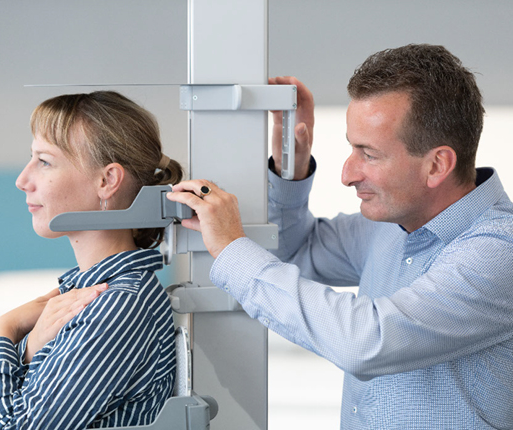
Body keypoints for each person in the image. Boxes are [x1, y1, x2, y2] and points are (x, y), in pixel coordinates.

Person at [166, 44, 513, 429]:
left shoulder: (500, 251)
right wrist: (290, 167)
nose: (347, 175)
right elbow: (295, 252)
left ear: (437, 165)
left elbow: (367, 341)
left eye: (369, 154)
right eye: (352, 148)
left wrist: (232, 248)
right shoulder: (389, 225)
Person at [0, 91, 183, 429]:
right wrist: (28, 348)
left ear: (106, 181)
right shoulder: (88, 294)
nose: (22, 181)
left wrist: (4, 330)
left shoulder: (115, 307)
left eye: (44, 162)